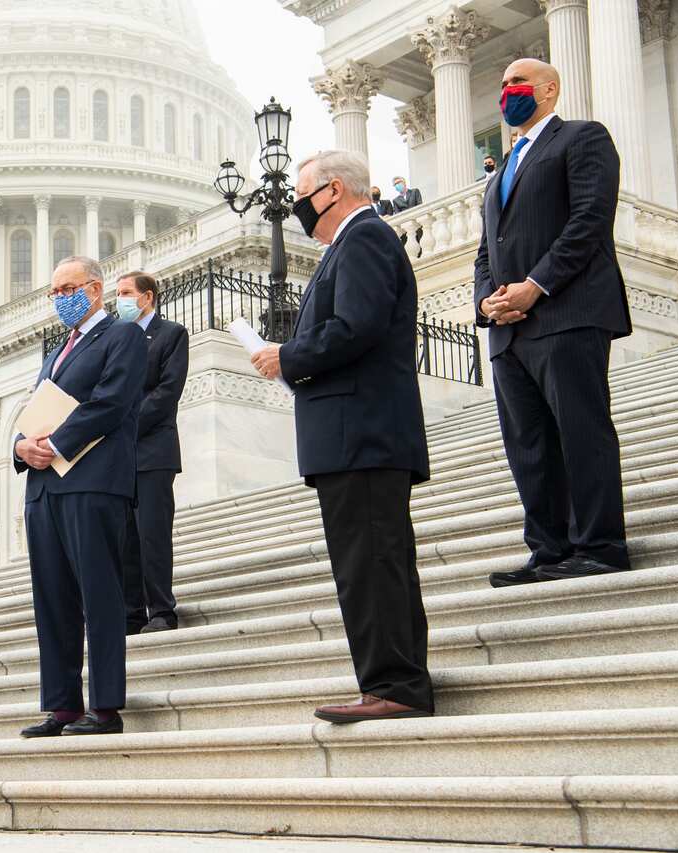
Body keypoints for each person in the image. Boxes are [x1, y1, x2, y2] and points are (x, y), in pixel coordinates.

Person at [251, 151, 434, 724]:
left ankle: (394, 683)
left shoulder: (364, 239)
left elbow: (357, 327)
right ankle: (390, 678)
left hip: (364, 432)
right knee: (371, 561)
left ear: (332, 190)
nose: (295, 205)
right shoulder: (353, 245)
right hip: (355, 433)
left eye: (302, 193)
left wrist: (288, 355)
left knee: (371, 562)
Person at [475, 58, 632, 588]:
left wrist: (534, 286)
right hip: (509, 332)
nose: (506, 92)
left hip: (567, 313)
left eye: (516, 82)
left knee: (580, 430)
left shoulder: (582, 139)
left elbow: (589, 220)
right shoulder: (497, 174)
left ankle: (600, 544)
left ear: (549, 89)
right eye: (501, 86)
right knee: (529, 445)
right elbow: (484, 253)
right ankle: (549, 549)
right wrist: (485, 302)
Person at [15, 256, 147, 738]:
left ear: (94, 290)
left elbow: (111, 403)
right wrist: (21, 447)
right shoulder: (57, 351)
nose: (58, 299)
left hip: (93, 481)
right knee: (52, 598)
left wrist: (56, 444)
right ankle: (62, 704)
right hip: (45, 486)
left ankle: (106, 704)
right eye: (53, 293)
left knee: (99, 594)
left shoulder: (123, 336)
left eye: (66, 289)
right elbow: (33, 410)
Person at [115, 271, 188, 634]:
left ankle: (161, 609)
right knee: (125, 536)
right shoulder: (116, 340)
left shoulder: (171, 334)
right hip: (119, 457)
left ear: (147, 297)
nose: (120, 300)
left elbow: (166, 392)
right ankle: (131, 612)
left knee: (152, 533)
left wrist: (123, 427)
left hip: (152, 449)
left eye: (126, 293)